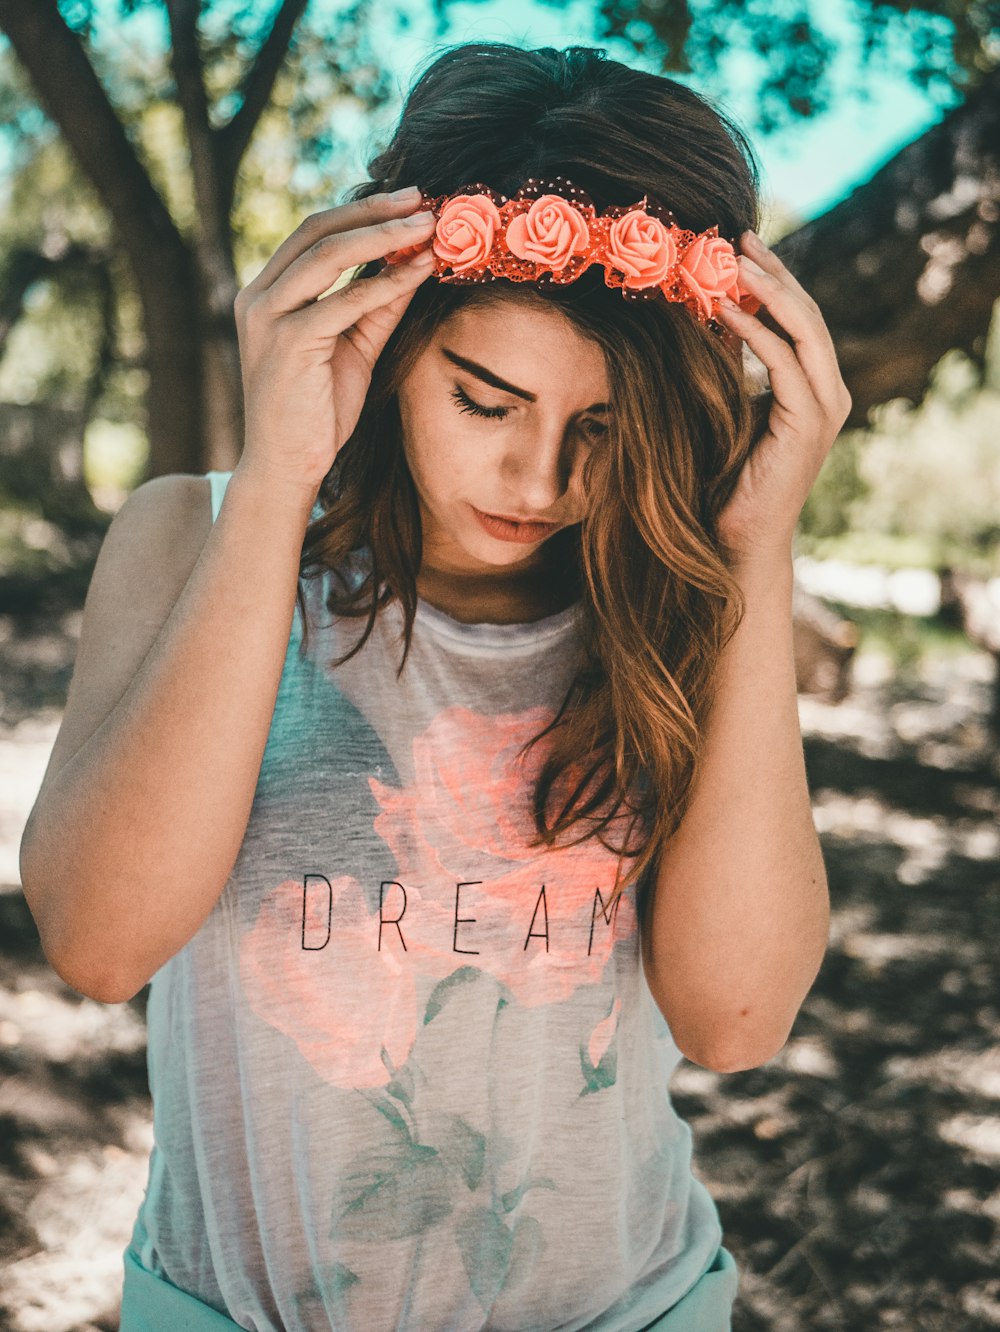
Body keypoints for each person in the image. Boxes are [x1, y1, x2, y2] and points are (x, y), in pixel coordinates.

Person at [18, 39, 848, 1332]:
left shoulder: (674, 601)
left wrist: (757, 547)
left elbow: (737, 1020)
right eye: (485, 399)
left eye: (601, 429)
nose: (535, 481)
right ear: (391, 339)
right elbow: (98, 942)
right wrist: (281, 481)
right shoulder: (194, 537)